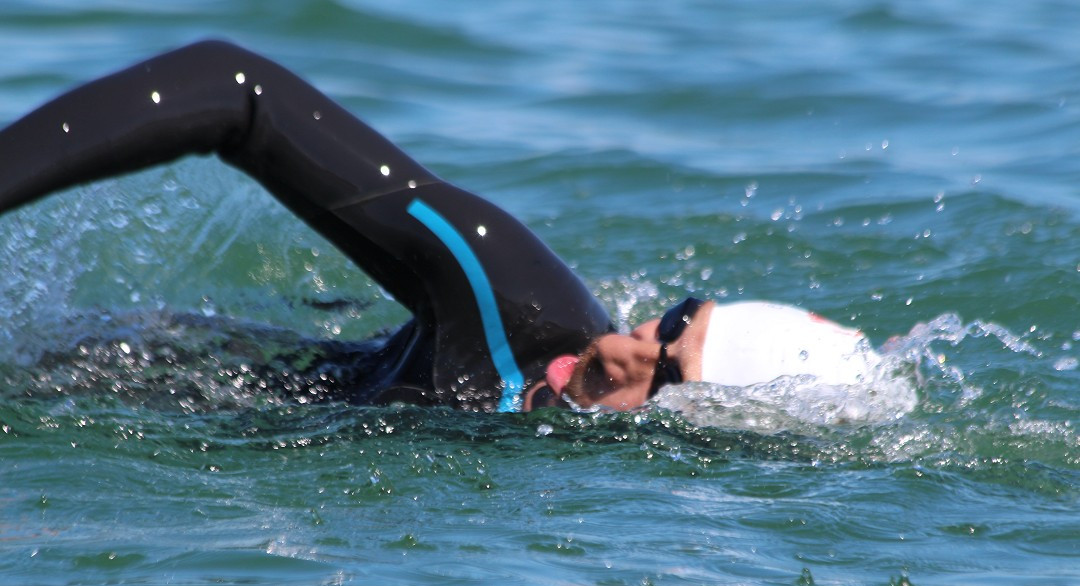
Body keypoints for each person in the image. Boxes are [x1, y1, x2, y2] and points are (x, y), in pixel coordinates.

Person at [0, 41, 887, 414]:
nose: (631, 345)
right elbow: (238, 90)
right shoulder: (518, 300)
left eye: (664, 377)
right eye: (673, 319)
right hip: (134, 379)